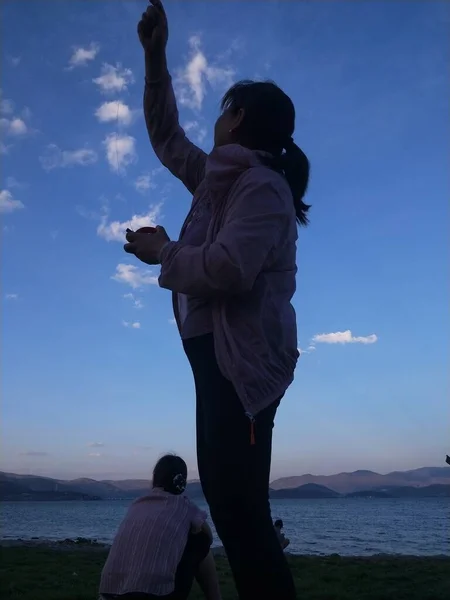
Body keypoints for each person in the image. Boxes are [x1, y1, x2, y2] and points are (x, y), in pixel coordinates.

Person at [125, 2, 311, 598]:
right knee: (233, 513)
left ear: (236, 119)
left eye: (222, 108)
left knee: (243, 516)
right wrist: (155, 57)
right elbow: (166, 138)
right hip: (216, 366)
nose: (215, 118)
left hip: (243, 370)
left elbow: (230, 269)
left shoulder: (261, 185)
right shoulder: (220, 178)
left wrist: (163, 253)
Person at [99, 454, 221, 600]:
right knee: (201, 542)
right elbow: (208, 536)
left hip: (109, 593)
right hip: (152, 593)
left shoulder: (138, 504)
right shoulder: (184, 506)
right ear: (182, 482)